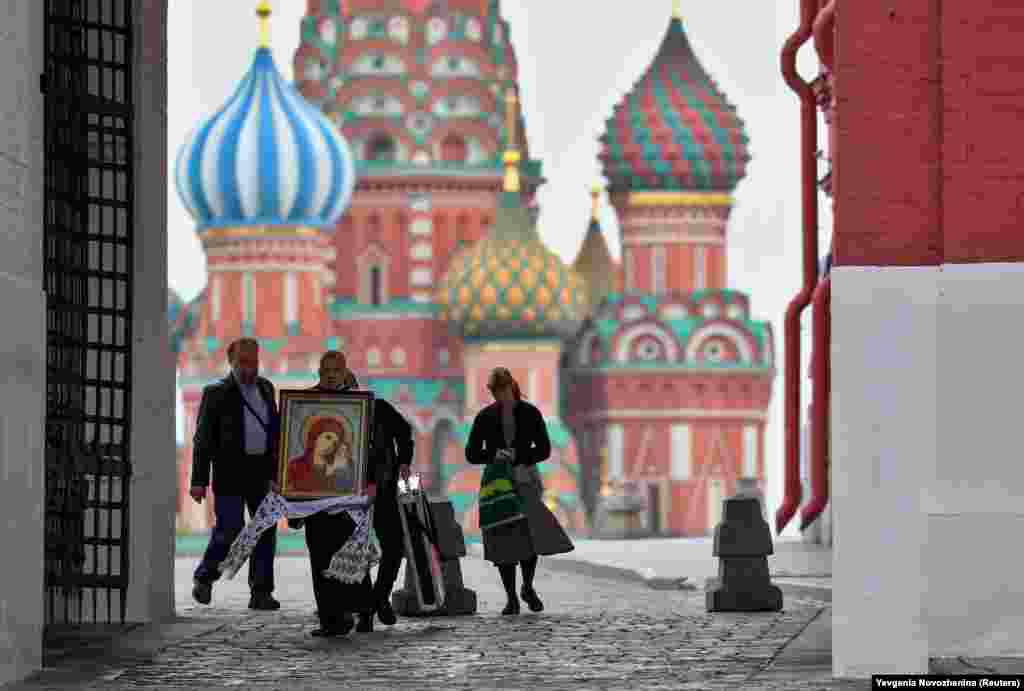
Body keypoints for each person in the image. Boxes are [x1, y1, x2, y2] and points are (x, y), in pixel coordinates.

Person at [465, 367, 574, 615]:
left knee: (528, 535)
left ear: (511, 387)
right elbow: (471, 453)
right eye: (495, 392)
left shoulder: (530, 413)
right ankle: (511, 597)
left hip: (525, 479)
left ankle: (526, 585)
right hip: (497, 483)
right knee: (502, 538)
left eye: (502, 390)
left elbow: (544, 449)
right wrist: (493, 454)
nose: (499, 395)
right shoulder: (484, 416)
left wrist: (519, 455)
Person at [190, 337, 281, 611]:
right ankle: (205, 577)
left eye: (253, 362)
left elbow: (275, 432)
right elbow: (202, 439)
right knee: (229, 528)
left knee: (265, 529)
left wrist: (279, 472)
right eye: (242, 362)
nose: (248, 368)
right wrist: (198, 481)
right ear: (230, 362)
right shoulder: (215, 393)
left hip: (261, 473)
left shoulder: (266, 388)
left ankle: (261, 592)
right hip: (229, 473)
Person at [286, 417, 355, 494]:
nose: (330, 445)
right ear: (315, 436)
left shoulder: (339, 466)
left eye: (335, 443)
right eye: (328, 438)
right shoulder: (295, 465)